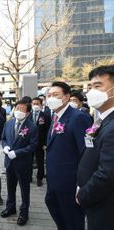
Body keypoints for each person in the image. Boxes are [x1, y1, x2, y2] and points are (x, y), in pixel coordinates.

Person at [45, 81, 92, 230]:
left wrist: (81, 184)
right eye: (49, 95)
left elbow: (86, 153)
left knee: (73, 220)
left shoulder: (78, 117)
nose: (51, 98)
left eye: (55, 95)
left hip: (70, 182)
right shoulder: (56, 116)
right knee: (54, 208)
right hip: (54, 179)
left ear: (66, 97)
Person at [76, 65, 114, 230]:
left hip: (105, 206)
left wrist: (83, 195)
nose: (91, 92)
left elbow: (107, 173)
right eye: (90, 87)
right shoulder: (102, 120)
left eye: (98, 86)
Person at [0, 100, 38, 226]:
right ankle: (10, 207)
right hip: (9, 162)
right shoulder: (9, 123)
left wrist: (17, 153)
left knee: (24, 189)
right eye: (17, 108)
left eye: (22, 109)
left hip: (23, 163)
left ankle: (24, 212)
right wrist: (5, 147)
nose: (18, 111)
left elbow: (32, 146)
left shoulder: (32, 127)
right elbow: (4, 138)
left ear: (27, 113)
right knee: (10, 187)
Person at [30, 97, 49, 186]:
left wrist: (45, 143)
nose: (35, 105)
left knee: (40, 161)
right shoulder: (28, 115)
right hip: (29, 143)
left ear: (41, 105)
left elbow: (47, 130)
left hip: (40, 143)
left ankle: (39, 178)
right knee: (29, 160)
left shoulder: (45, 115)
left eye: (37, 104)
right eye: (34, 104)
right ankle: (29, 177)